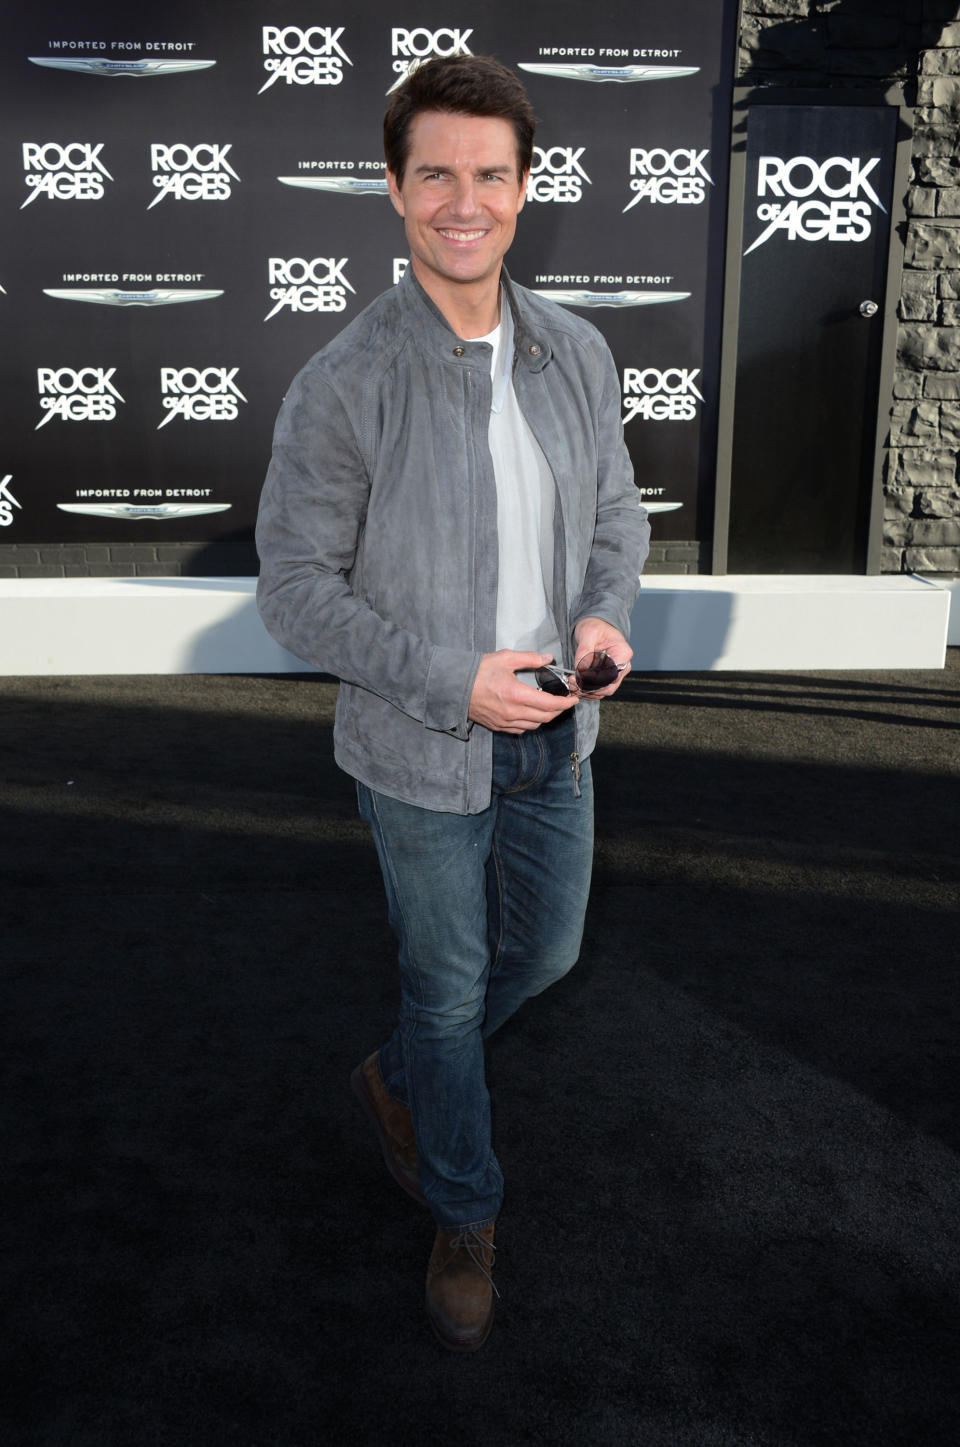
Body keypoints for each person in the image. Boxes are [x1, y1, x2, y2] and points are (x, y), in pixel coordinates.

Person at [256, 53, 650, 1352]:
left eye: (490, 175)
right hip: (420, 751)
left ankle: (406, 1078)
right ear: (395, 190)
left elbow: (612, 518)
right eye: (438, 176)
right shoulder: (345, 382)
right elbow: (294, 592)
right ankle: (465, 1205)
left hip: (561, 736)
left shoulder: (578, 352)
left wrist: (603, 615)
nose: (463, 202)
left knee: (544, 955)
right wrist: (449, 680)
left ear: (525, 191)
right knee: (446, 988)